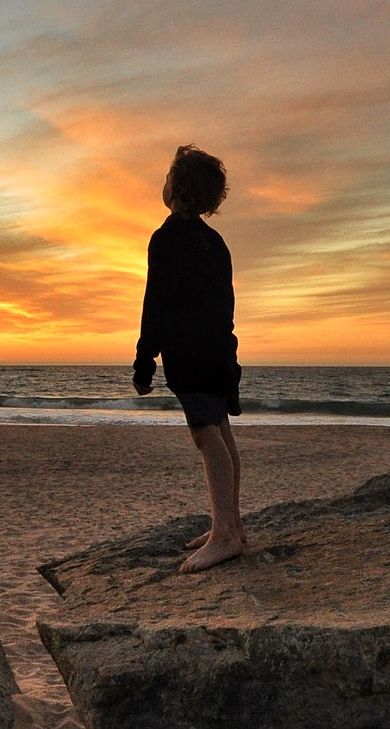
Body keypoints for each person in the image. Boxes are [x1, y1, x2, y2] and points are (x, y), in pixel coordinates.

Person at [133, 144, 244, 573]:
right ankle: (230, 523)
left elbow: (155, 301)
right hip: (220, 350)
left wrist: (146, 360)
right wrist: (227, 350)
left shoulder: (167, 238)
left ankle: (224, 536)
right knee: (221, 429)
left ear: (176, 188)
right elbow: (226, 303)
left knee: (205, 436)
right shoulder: (215, 242)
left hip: (193, 353)